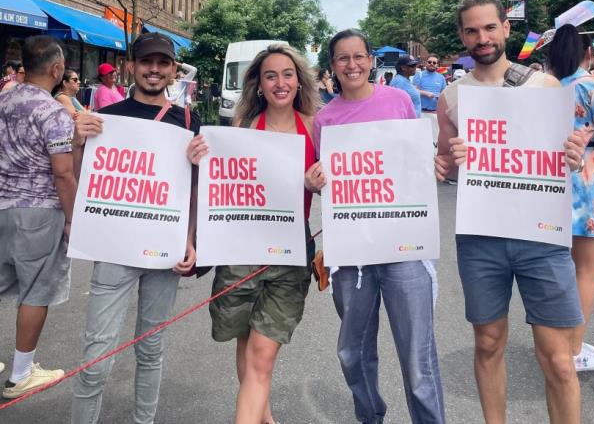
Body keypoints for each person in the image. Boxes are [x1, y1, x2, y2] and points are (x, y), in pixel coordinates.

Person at [434, 0, 587, 424]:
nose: (481, 38)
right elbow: (444, 166)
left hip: (542, 235)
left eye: (488, 27)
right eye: (471, 30)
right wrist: (443, 163)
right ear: (462, 36)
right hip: (482, 237)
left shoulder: (544, 86)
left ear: (506, 27)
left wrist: (572, 156)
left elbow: (563, 158)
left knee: (558, 359)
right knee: (487, 343)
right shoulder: (451, 98)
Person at [307, 29, 445, 424]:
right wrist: (315, 183)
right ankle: (370, 417)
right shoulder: (325, 119)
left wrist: (430, 166)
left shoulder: (400, 101)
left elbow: (414, 160)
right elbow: (334, 189)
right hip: (352, 253)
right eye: (342, 58)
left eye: (358, 56)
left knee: (418, 359)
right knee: (353, 352)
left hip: (403, 248)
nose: (352, 65)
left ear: (370, 61)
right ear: (332, 67)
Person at [71, 33, 203, 424]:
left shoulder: (190, 122)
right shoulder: (107, 120)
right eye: (147, 62)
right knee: (96, 357)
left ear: (173, 70)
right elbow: (87, 181)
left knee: (151, 349)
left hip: (165, 250)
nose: (155, 69)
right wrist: (79, 143)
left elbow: (193, 191)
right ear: (132, 66)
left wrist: (191, 239)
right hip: (115, 250)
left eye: (163, 63)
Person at [208, 44, 319, 424]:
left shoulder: (314, 127)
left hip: (290, 254)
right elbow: (216, 182)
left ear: (298, 80)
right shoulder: (240, 129)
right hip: (241, 251)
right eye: (270, 75)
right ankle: (264, 417)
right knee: (247, 341)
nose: (280, 82)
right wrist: (196, 158)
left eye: (287, 74)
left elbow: (340, 184)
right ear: (258, 84)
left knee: (264, 352)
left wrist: (315, 183)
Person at [0, 36, 77, 399]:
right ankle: (21, 374)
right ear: (56, 68)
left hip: (2, 205)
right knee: (34, 292)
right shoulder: (54, 113)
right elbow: (63, 172)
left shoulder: (3, 98)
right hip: (39, 210)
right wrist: (73, 218)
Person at [546, 24, 594, 372]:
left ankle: (556, 344)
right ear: (588, 53)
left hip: (550, 180)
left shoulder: (547, 89)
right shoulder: (593, 87)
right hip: (587, 180)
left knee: (558, 267)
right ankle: (574, 348)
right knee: (586, 269)